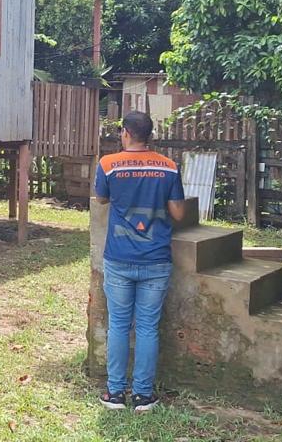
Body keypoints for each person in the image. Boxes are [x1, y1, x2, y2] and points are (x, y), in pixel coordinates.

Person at [95, 111, 186, 412]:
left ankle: (115, 393)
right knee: (148, 327)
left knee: (119, 326)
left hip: (119, 258)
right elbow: (178, 213)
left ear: (125, 133)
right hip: (156, 259)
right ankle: (143, 396)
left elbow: (101, 198)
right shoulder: (169, 167)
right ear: (149, 135)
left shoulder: (108, 164)